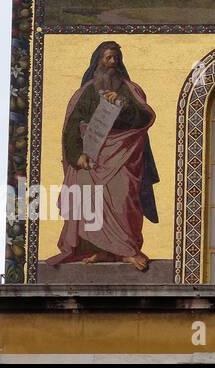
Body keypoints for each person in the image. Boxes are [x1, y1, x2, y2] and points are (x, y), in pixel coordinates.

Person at [47, 41, 158, 272]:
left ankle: (127, 249)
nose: (112, 62)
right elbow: (71, 127)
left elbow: (143, 118)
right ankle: (99, 248)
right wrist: (77, 155)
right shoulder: (85, 93)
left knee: (124, 197)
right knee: (88, 197)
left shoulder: (130, 90)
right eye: (107, 58)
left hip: (124, 156)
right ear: (98, 61)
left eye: (115, 58)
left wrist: (122, 104)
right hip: (90, 157)